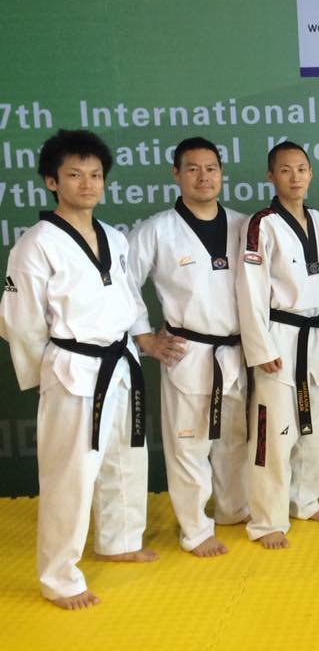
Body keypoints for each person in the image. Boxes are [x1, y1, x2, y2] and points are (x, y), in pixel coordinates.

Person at [0, 129, 156, 609]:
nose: (88, 184)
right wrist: (43, 375)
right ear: (52, 182)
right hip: (72, 367)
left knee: (125, 458)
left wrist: (140, 339)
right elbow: (20, 321)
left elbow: (129, 297)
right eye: (74, 175)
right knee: (70, 475)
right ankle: (59, 577)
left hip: (120, 361)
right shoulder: (36, 245)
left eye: (95, 175)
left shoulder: (114, 236)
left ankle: (120, 540)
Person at [126, 137, 250, 557]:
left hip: (237, 350)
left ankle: (234, 507)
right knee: (189, 445)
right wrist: (144, 336)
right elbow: (123, 284)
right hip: (188, 350)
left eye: (211, 168)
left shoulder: (244, 225)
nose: (203, 177)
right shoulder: (156, 230)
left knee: (236, 438)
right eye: (193, 168)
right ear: (176, 174)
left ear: (221, 173)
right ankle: (195, 530)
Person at [236, 141, 319, 549]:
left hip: (317, 335)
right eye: (285, 170)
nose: (295, 177)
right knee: (275, 433)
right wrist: (261, 348)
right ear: (271, 176)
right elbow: (250, 289)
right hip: (279, 335)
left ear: (311, 173)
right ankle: (267, 520)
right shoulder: (262, 224)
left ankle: (305, 500)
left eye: (301, 169)